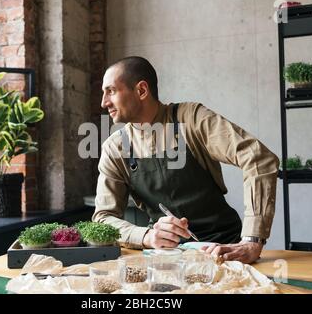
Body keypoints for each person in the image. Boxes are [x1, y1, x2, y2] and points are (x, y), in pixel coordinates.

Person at [92, 56, 279, 264]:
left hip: (225, 251)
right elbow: (103, 219)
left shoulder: (192, 119)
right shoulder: (114, 148)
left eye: (111, 91)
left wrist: (252, 240)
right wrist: (146, 236)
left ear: (142, 90)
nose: (103, 102)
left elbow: (258, 158)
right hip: (164, 258)